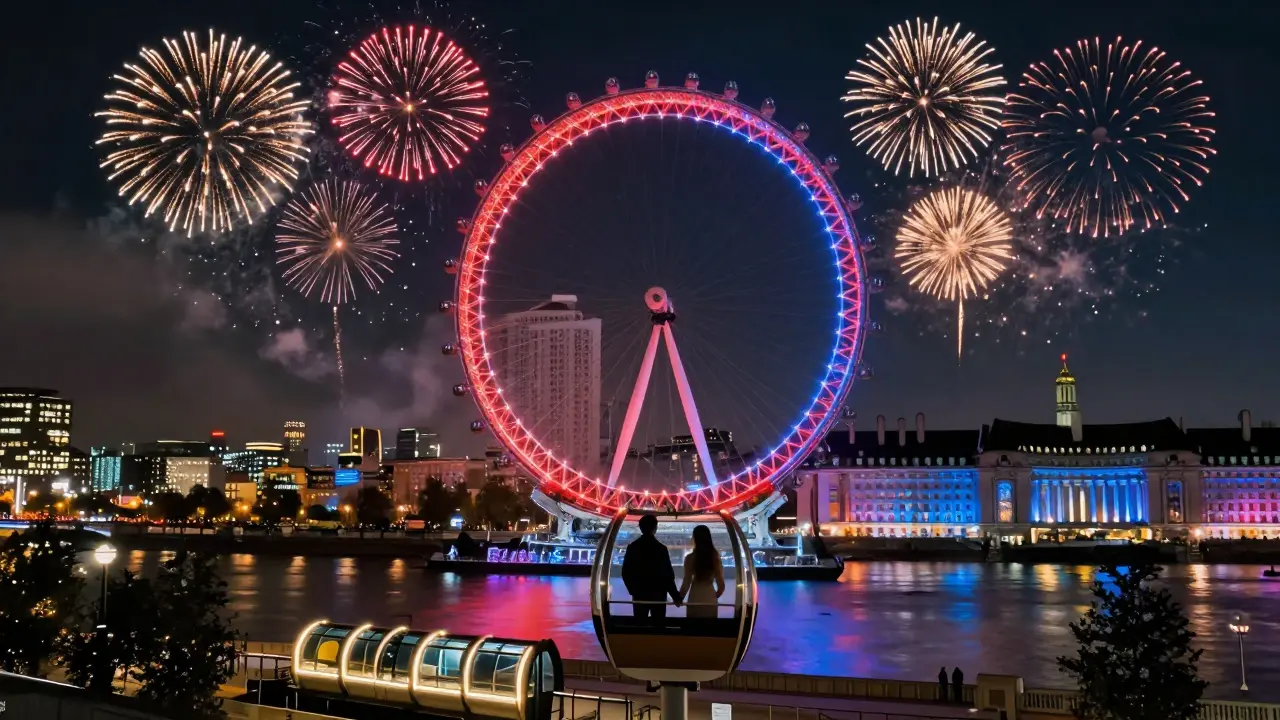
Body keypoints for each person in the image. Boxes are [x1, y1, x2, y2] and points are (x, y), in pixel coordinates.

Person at [620, 514, 679, 621]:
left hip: (639, 594)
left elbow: (625, 572)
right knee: (658, 626)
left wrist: (633, 590)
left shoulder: (632, 548)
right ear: (655, 528)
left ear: (640, 527)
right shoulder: (661, 549)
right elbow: (668, 576)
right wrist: (676, 597)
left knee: (639, 624)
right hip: (659, 595)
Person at [678, 524, 725, 619]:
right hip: (710, 598)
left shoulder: (690, 558)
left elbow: (686, 583)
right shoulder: (715, 557)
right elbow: (721, 586)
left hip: (695, 597)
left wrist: (679, 599)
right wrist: (713, 596)